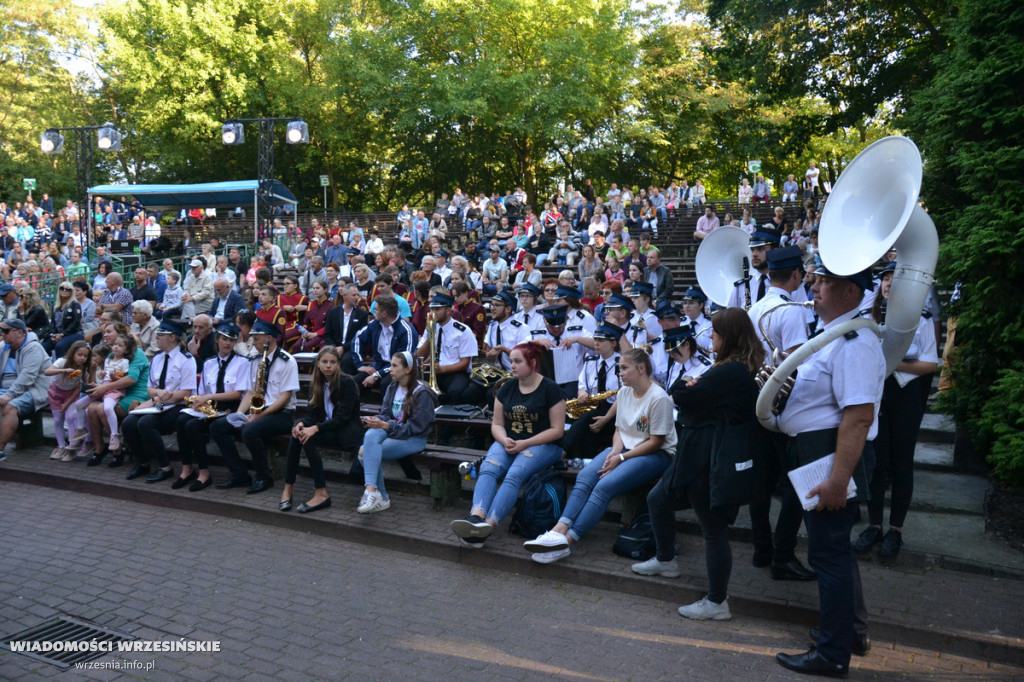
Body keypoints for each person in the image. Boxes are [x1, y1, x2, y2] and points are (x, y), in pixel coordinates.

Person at [774, 265, 883, 677]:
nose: (813, 287)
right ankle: (849, 633)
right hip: (817, 450)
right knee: (834, 550)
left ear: (851, 292)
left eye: (824, 283)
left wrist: (839, 479)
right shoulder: (835, 337)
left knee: (828, 554)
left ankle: (833, 654)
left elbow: (857, 417)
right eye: (815, 281)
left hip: (829, 454)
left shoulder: (854, 341)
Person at [632, 307, 764, 623]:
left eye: (716, 332)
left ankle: (717, 601)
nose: (710, 337)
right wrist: (690, 387)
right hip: (695, 451)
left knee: (713, 528)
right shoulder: (730, 368)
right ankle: (666, 560)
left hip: (708, 457)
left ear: (728, 337)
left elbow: (682, 396)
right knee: (657, 499)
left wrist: (688, 386)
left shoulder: (731, 371)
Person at [524, 348, 675, 564]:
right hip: (625, 449)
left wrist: (621, 459)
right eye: (619, 368)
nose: (619, 373)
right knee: (585, 477)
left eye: (624, 368)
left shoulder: (659, 398)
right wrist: (614, 451)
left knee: (604, 486)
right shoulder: (624, 393)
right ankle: (557, 531)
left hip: (655, 455)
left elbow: (656, 441)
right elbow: (620, 430)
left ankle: (566, 542)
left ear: (641, 369)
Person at [854, 262, 938, 560]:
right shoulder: (868, 318)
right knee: (877, 462)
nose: (888, 283)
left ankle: (896, 531)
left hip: (906, 395)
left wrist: (891, 361)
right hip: (877, 395)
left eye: (894, 278)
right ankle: (874, 525)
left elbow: (931, 363)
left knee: (901, 464)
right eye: (885, 278)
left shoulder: (921, 319)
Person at [449, 342, 567, 548]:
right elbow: (497, 424)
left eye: (517, 361)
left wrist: (525, 443)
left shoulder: (551, 389)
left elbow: (557, 430)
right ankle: (476, 517)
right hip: (510, 441)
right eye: (511, 361)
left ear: (533, 362)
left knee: (514, 475)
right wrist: (504, 440)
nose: (512, 366)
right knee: (488, 469)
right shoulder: (506, 387)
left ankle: (488, 526)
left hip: (544, 445)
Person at [745, 246, 816, 580]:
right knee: (796, 483)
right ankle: (783, 554)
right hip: (781, 409)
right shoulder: (792, 311)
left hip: (755, 404)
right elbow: (794, 364)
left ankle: (762, 549)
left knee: (761, 482)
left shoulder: (755, 308)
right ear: (797, 275)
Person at [211, 318, 300, 494]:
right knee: (218, 427)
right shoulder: (255, 361)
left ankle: (263, 477)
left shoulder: (287, 361)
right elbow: (250, 393)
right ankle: (239, 474)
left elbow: (284, 397)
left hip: (281, 413)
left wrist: (258, 417)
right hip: (257, 411)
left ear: (269, 338)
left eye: (257, 339)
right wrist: (237, 415)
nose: (253, 343)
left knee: (249, 431)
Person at [280, 346, 361, 514]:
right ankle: (288, 488)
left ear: (338, 364)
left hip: (345, 433)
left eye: (333, 362)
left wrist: (315, 429)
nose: (328, 366)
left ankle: (321, 493)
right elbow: (312, 414)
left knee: (308, 438)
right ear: (318, 364)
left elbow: (342, 419)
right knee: (298, 435)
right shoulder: (317, 383)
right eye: (324, 362)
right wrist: (302, 424)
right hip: (328, 429)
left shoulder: (347, 383)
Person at [357, 351, 439, 513]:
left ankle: (380, 496)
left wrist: (386, 426)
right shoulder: (392, 387)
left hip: (414, 438)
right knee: (370, 435)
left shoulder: (422, 393)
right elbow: (386, 414)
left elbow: (417, 427)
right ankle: (373, 492)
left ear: (407, 370)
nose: (390, 369)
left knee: (365, 453)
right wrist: (373, 420)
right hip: (394, 431)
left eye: (394, 366)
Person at [173, 324, 252, 492]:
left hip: (230, 409)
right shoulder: (209, 363)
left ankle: (204, 473)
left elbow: (237, 394)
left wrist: (209, 397)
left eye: (232, 340)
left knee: (192, 426)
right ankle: (187, 469)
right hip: (211, 409)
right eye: (224, 339)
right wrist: (198, 403)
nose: (228, 343)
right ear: (217, 340)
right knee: (181, 421)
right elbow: (202, 392)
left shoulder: (242, 362)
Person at [121, 320, 197, 483]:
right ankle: (142, 463)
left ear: (172, 338)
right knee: (128, 423)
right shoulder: (157, 358)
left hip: (179, 405)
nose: (157, 338)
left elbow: (186, 392)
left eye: (160, 335)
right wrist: (158, 395)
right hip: (158, 404)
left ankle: (165, 467)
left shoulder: (186, 359)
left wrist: (161, 398)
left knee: (145, 424)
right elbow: (150, 388)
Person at [415, 291, 481, 405]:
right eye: (432, 309)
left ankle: (450, 421)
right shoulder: (430, 327)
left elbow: (465, 363)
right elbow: (420, 356)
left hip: (455, 372)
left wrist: (442, 369)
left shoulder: (463, 331)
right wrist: (430, 337)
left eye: (437, 309)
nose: (433, 313)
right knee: (414, 386)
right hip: (433, 371)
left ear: (448, 310)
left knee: (456, 392)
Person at [0, 319, 53, 460]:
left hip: (35, 390)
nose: (2, 334)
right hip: (8, 388)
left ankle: (0, 450)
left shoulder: (33, 348)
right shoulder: (4, 347)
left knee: (9, 407)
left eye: (5, 331)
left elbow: (27, 378)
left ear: (19, 333)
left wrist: (9, 395)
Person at [348, 295, 418, 392]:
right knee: (354, 383)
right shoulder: (375, 324)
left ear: (384, 314)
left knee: (386, 384)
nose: (373, 312)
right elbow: (357, 339)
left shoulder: (406, 330)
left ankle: (386, 407)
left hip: (401, 370)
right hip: (379, 366)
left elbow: (404, 360)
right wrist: (359, 365)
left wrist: (377, 375)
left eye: (376, 310)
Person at [45, 341, 90, 461]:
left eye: (85, 356)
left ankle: (72, 447)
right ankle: (61, 445)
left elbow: (78, 387)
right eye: (80, 355)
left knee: (70, 417)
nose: (82, 358)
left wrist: (68, 402)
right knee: (58, 420)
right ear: (73, 353)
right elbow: (47, 371)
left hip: (71, 395)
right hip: (56, 393)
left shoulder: (82, 369)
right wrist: (62, 370)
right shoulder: (62, 362)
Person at [46, 281, 84, 357]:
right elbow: (53, 322)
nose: (64, 291)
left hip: (74, 333)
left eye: (68, 289)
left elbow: (75, 323)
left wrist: (63, 334)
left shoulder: (75, 304)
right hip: (58, 334)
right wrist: (53, 335)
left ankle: (61, 367)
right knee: (44, 345)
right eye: (62, 288)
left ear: (71, 292)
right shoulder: (55, 305)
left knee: (60, 346)